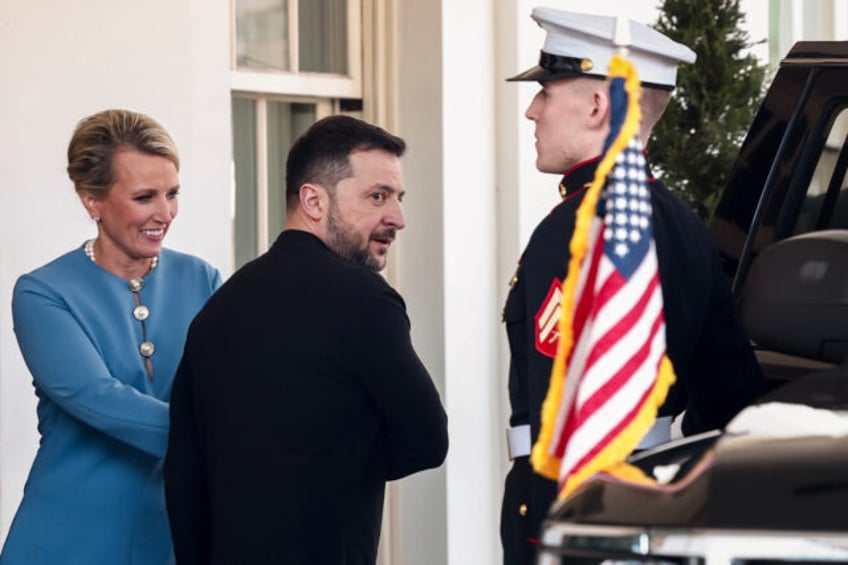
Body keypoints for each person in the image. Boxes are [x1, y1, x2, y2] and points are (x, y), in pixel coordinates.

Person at [500, 8, 767, 564]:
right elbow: (732, 401)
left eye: (547, 92)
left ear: (598, 105)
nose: (532, 110)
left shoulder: (574, 231)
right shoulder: (686, 227)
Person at [164, 115, 449, 565]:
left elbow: (185, 472)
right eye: (378, 196)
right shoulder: (366, 300)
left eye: (398, 198)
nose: (397, 218)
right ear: (314, 201)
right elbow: (428, 440)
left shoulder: (219, 307)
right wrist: (342, 462)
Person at [0, 109, 222, 564]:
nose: (164, 213)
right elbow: (98, 397)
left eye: (172, 194)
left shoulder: (202, 280)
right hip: (67, 540)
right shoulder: (43, 293)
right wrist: (234, 436)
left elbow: (240, 387)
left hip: (172, 538)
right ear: (92, 201)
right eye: (145, 197)